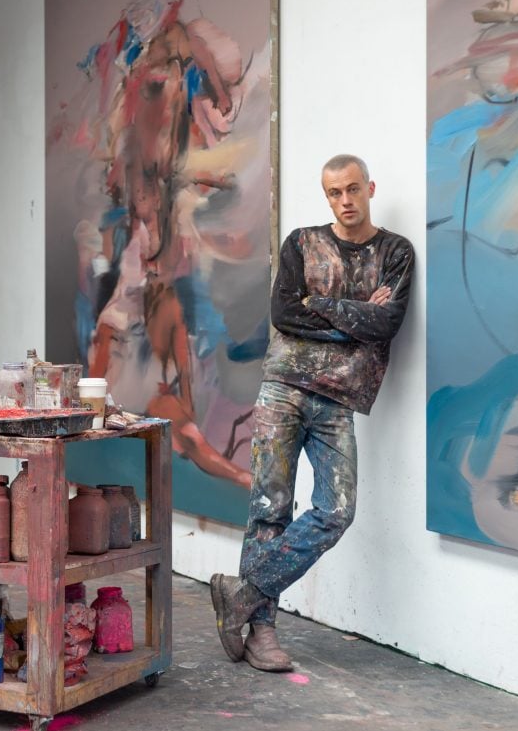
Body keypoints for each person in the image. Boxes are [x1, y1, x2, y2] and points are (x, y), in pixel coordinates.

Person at [210, 154, 415, 672]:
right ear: (325, 195)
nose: (344, 202)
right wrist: (354, 315)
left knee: (336, 511)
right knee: (269, 509)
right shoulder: (302, 242)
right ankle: (262, 634)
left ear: (370, 187)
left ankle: (242, 593)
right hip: (283, 389)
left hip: (339, 399)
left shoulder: (396, 252)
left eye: (352, 190)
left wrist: (321, 305)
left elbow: (387, 322)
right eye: (333, 193)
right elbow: (284, 313)